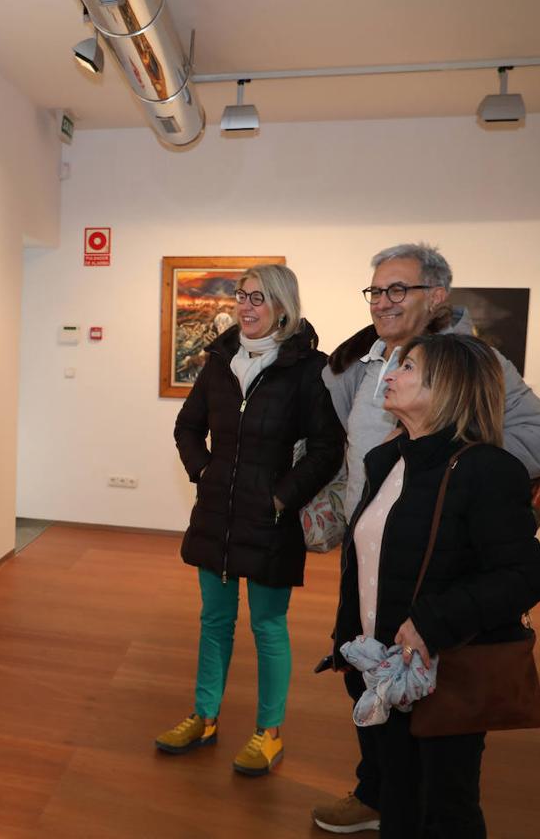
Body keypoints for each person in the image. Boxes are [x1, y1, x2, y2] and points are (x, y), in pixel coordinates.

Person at [313, 243, 540, 833]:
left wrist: (462, 468)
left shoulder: (477, 379)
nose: (382, 301)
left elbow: (523, 571)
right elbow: (345, 455)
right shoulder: (366, 387)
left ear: (437, 296)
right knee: (400, 783)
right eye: (375, 290)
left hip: (440, 644)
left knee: (444, 799)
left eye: (397, 289)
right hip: (377, 622)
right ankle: (374, 798)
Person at [158, 264, 345, 775]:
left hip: (270, 521)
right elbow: (187, 427)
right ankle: (205, 715)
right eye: (241, 296)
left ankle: (269, 732)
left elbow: (327, 449)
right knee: (214, 621)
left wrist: (281, 498)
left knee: (267, 625)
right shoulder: (220, 361)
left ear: (283, 306)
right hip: (216, 515)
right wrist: (204, 472)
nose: (246, 306)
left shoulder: (309, 369)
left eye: (258, 298)